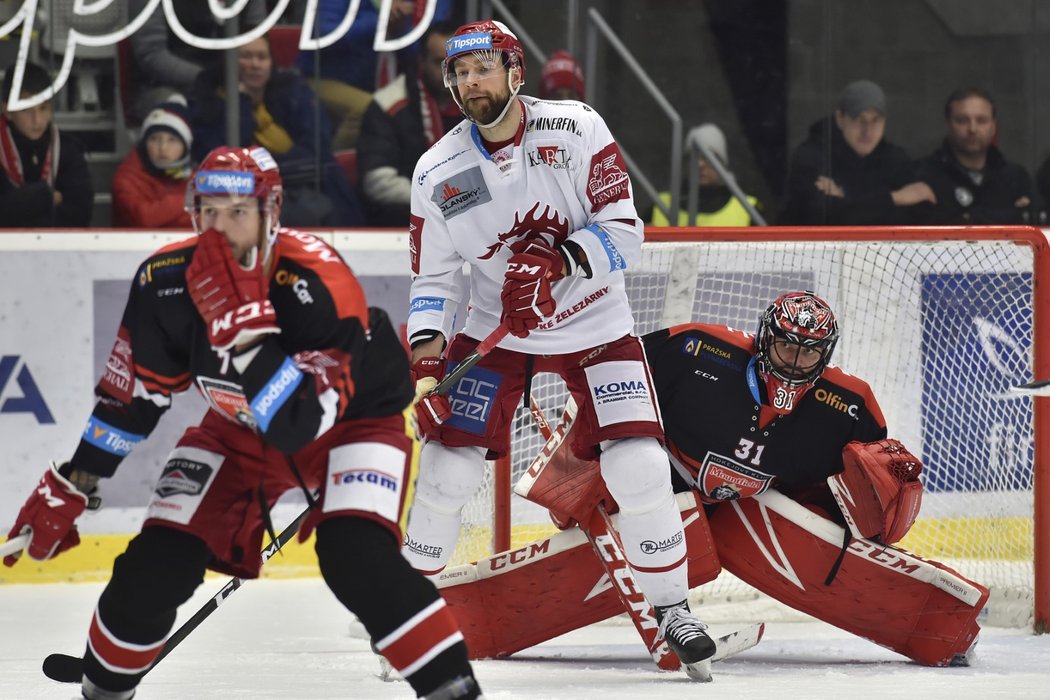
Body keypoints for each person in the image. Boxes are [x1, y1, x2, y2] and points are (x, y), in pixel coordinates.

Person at [2, 145, 483, 700]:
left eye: (237, 211)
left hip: (353, 424)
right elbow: (133, 399)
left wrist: (246, 336)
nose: (220, 226)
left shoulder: (317, 281)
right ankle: (103, 690)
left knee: (355, 556)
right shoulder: (163, 282)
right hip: (236, 426)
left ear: (270, 212)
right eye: (209, 209)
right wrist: (76, 481)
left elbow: (300, 426)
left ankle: (453, 691)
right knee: (158, 563)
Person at [432, 291, 988, 670]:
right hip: (655, 478)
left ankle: (940, 621)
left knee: (727, 535)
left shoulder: (850, 407)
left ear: (827, 354)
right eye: (786, 344)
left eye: (808, 351)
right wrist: (586, 452)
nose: (793, 361)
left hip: (747, 503)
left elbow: (838, 495)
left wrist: (881, 499)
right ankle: (438, 614)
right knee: (671, 520)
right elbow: (609, 375)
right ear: (763, 337)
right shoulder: (695, 346)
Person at [403, 19, 716, 675]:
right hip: (498, 329)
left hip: (595, 322)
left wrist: (560, 263)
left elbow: (625, 234)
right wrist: (428, 369)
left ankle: (674, 610)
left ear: (517, 72)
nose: (470, 82)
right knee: (446, 471)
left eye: (483, 68)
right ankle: (406, 614)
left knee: (637, 466)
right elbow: (434, 280)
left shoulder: (576, 129)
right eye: (459, 73)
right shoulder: (438, 171)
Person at [189, 34, 365, 226]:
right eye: (246, 56)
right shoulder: (208, 104)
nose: (255, 64)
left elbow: (316, 151)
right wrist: (242, 102)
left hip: (305, 194)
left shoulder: (293, 93)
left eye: (262, 57)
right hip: (238, 202)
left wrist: (265, 171)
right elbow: (224, 158)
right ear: (228, 62)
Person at [296, 0, 456, 149]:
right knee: (369, 108)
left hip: (395, 82)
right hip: (323, 77)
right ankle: (335, 170)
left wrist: (400, 30)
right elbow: (324, 35)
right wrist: (380, 21)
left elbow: (425, 54)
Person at [778, 79, 934, 225]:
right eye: (859, 119)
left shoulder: (896, 160)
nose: (867, 130)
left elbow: (924, 213)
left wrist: (846, 197)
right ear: (840, 118)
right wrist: (895, 198)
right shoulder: (813, 157)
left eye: (876, 120)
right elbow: (824, 216)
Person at [356, 20, 461, 226]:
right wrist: (440, 200)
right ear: (421, 61)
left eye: (457, 63)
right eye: (439, 62)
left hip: (473, 215)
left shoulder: (482, 104)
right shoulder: (389, 104)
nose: (449, 73)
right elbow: (378, 180)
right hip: (407, 219)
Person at [127, 0, 266, 122]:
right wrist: (211, 80)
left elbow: (261, 42)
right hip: (167, 86)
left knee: (273, 100)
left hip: (236, 81)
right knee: (176, 111)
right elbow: (152, 55)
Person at [911, 87, 1032, 224]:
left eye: (981, 120)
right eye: (962, 120)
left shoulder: (1015, 177)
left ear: (993, 126)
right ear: (948, 124)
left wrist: (969, 217)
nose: (972, 129)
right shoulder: (923, 175)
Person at [0, 61, 93, 227]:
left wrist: (18, 204)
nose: (37, 120)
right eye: (26, 110)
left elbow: (80, 213)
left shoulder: (68, 148)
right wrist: (45, 196)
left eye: (43, 108)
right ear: (7, 111)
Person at [650, 123, 763, 226]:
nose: (700, 164)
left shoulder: (749, 209)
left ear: (722, 164)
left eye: (708, 157)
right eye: (693, 156)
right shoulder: (660, 206)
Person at [111, 95, 194, 228]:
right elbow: (144, 219)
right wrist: (187, 202)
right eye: (154, 139)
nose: (163, 148)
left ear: (186, 146)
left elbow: (208, 221)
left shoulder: (197, 178)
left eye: (172, 140)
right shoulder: (127, 178)